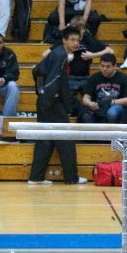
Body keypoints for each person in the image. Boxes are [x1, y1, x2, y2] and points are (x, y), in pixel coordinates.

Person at [29, 27, 86, 185]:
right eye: (72, 40)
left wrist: (40, 93)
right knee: (66, 140)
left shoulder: (58, 53)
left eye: (77, 40)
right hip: (52, 103)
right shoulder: (61, 55)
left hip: (45, 102)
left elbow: (37, 71)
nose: (76, 43)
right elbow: (54, 81)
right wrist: (48, 97)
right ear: (64, 40)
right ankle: (71, 178)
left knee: (44, 140)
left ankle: (36, 177)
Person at [42, 14, 114, 119]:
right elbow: (46, 54)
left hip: (86, 78)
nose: (81, 32)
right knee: (65, 95)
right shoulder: (66, 40)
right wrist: (65, 57)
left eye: (83, 29)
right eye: (77, 29)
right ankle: (80, 112)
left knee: (96, 96)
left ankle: (96, 116)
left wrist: (92, 55)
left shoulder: (88, 39)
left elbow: (110, 51)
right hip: (69, 77)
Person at [80, 53, 127, 124]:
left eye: (108, 67)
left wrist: (112, 102)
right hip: (98, 107)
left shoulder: (123, 78)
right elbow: (85, 98)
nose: (104, 69)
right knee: (86, 115)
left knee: (112, 113)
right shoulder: (94, 78)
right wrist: (90, 104)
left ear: (114, 66)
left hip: (116, 106)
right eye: (102, 66)